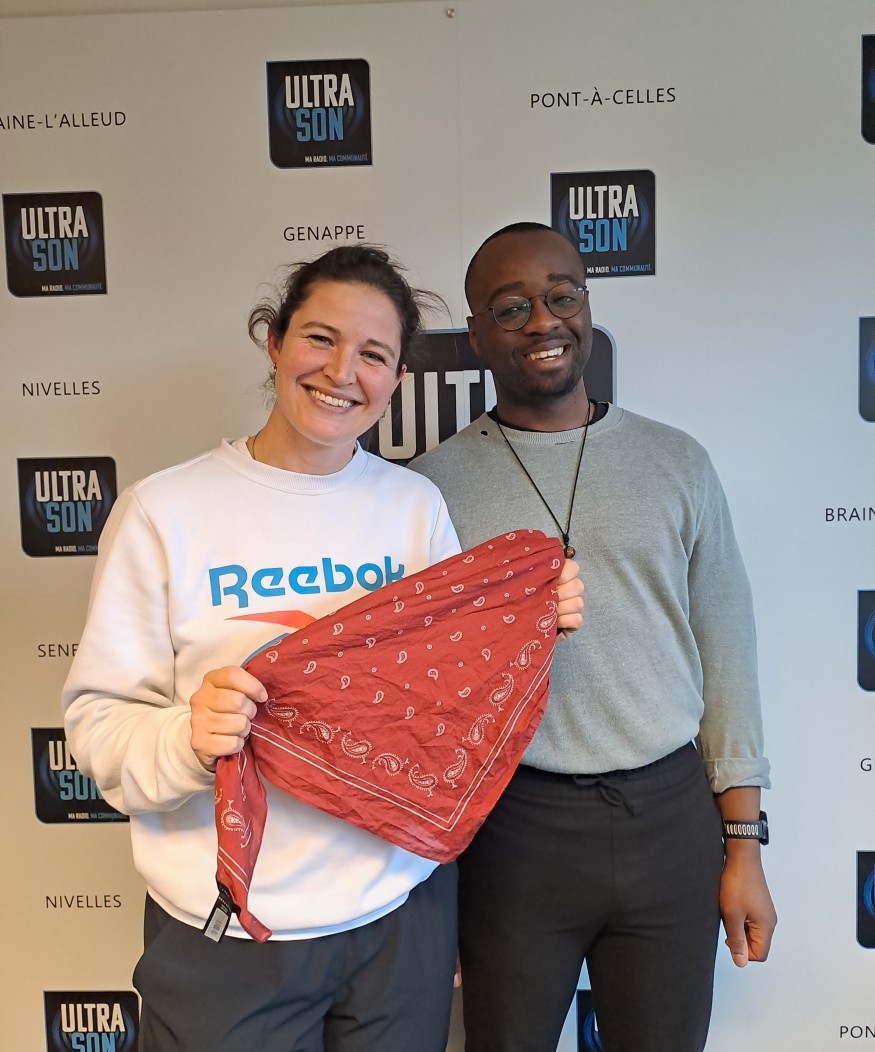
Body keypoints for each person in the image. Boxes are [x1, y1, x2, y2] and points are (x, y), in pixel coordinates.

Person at [61, 242, 585, 1052]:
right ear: (274, 343)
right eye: (319, 338)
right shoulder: (164, 511)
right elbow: (98, 726)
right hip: (231, 932)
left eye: (372, 354)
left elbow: (445, 718)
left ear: (396, 379)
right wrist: (187, 740)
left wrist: (525, 621)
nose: (342, 371)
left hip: (399, 920)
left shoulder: (414, 507)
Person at [409, 222, 777, 1052]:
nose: (543, 321)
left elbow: (727, 658)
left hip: (667, 820)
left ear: (586, 305)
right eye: (511, 307)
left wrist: (743, 846)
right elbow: (423, 703)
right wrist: (435, 878)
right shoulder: (429, 490)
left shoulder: (676, 462)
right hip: (511, 831)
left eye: (560, 295)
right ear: (475, 335)